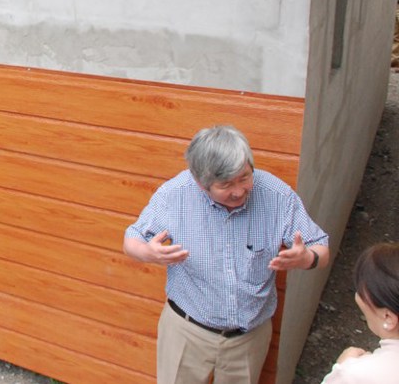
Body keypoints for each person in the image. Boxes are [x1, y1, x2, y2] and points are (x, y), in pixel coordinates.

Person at [123, 124, 329, 384]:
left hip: (248, 339)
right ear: (200, 182)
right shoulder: (174, 195)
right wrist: (147, 252)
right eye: (226, 184)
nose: (239, 190)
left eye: (245, 177)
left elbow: (321, 246)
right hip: (186, 332)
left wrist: (308, 258)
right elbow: (131, 239)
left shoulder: (276, 195)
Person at [321, 243, 399, 383]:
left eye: (362, 292)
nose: (358, 296)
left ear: (388, 317)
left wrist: (341, 367)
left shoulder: (356, 374)